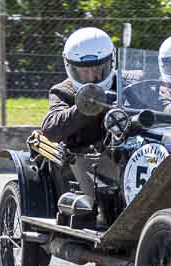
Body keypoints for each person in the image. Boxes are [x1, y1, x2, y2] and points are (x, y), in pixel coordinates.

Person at [40, 27, 123, 203]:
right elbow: (50, 128)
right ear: (71, 68)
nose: (93, 76)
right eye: (84, 71)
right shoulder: (63, 91)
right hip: (84, 168)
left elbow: (158, 103)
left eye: (100, 68)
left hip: (127, 157)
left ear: (112, 61)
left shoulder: (128, 82)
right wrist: (85, 106)